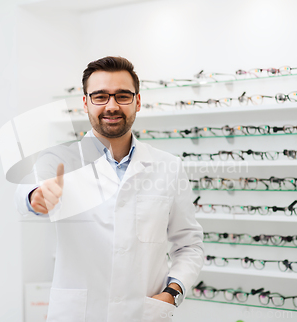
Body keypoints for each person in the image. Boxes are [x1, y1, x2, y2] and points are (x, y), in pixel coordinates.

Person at [14, 56, 204, 322]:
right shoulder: (60, 160)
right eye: (100, 96)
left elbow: (190, 245)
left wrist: (173, 292)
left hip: (144, 313)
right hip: (79, 314)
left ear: (138, 101)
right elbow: (27, 193)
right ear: (86, 103)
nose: (112, 106)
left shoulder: (168, 166)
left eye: (123, 96)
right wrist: (36, 197)